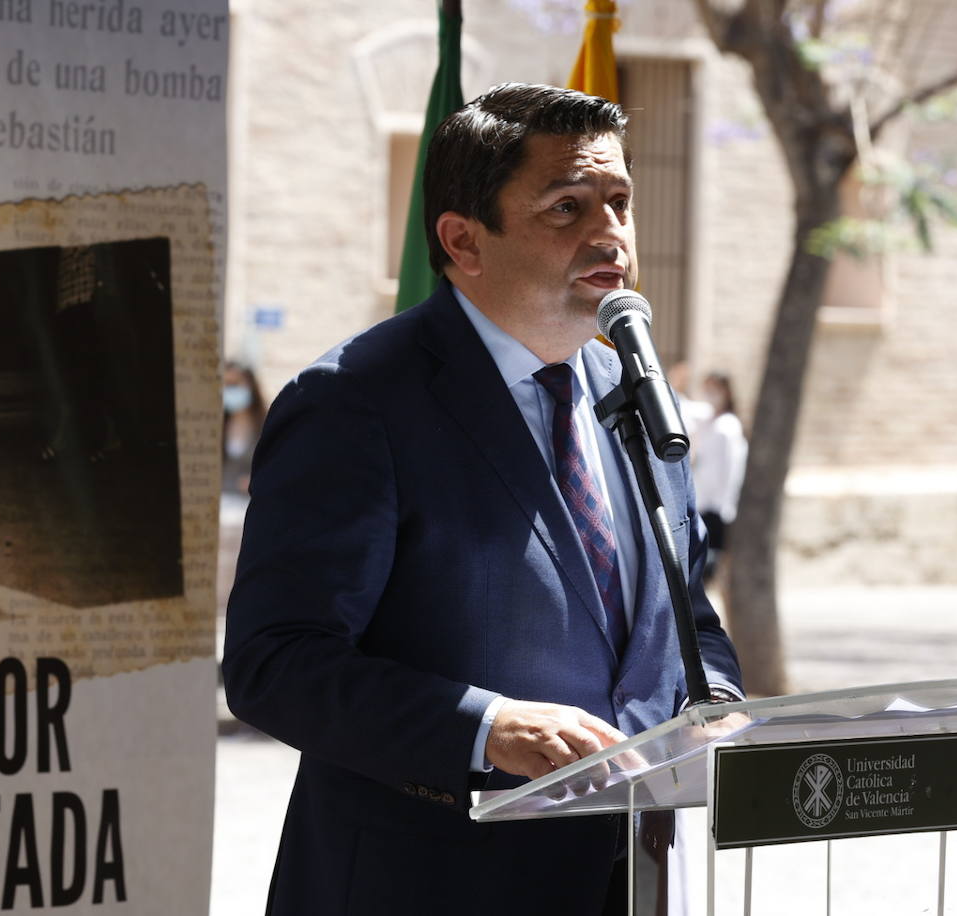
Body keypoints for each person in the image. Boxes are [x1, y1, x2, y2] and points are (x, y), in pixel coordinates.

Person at [222, 83, 742, 915]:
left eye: (619, 201)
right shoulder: (355, 403)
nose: (609, 233)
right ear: (463, 240)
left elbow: (686, 623)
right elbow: (273, 664)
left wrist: (717, 704)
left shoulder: (633, 390)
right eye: (566, 208)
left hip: (628, 877)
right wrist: (487, 726)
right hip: (424, 883)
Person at [691, 372, 747, 581]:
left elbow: (732, 468)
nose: (710, 394)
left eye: (714, 389)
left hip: (718, 507)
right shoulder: (707, 421)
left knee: (714, 567)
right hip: (702, 502)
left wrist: (725, 504)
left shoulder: (729, 425)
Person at [220, 359, 266, 496]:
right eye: (226, 385)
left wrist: (256, 481)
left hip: (251, 504)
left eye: (235, 384)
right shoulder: (217, 427)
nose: (230, 389)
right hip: (222, 504)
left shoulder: (266, 424)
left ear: (250, 385)